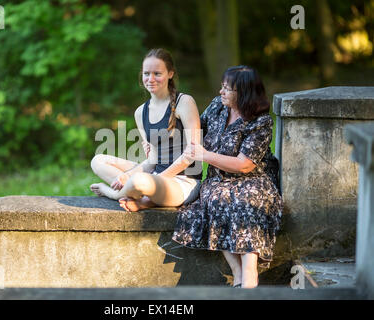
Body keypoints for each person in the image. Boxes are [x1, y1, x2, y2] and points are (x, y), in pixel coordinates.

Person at [172, 65, 283, 289]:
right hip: (218, 179)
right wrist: (158, 139)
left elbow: (244, 165)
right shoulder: (217, 107)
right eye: (222, 87)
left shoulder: (261, 122)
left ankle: (250, 274)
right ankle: (238, 274)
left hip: (254, 180)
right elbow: (194, 129)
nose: (221, 92)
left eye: (227, 89)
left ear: (243, 93)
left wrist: (205, 155)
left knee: (248, 204)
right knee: (216, 201)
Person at [90, 48, 202, 212]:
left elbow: (192, 153)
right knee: (98, 161)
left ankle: (113, 194)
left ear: (170, 74)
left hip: (183, 182)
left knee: (139, 182)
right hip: (155, 177)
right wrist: (126, 175)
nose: (151, 79)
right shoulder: (140, 112)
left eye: (157, 73)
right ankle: (137, 193)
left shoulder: (184, 102)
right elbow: (152, 160)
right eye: (146, 73)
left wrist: (150, 179)